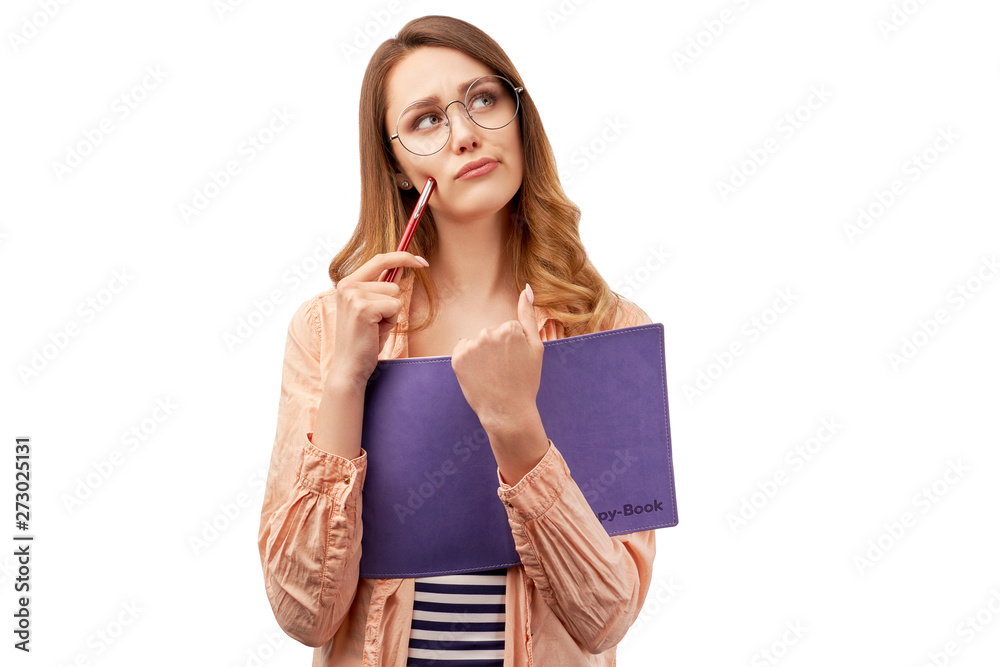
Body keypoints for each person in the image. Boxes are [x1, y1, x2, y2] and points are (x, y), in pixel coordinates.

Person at [258, 14, 656, 666]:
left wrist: (515, 422)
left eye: (484, 100)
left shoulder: (608, 330)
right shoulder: (326, 330)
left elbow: (605, 617)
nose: (466, 133)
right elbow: (304, 613)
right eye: (425, 120)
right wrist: (345, 381)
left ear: (520, 119)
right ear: (397, 167)